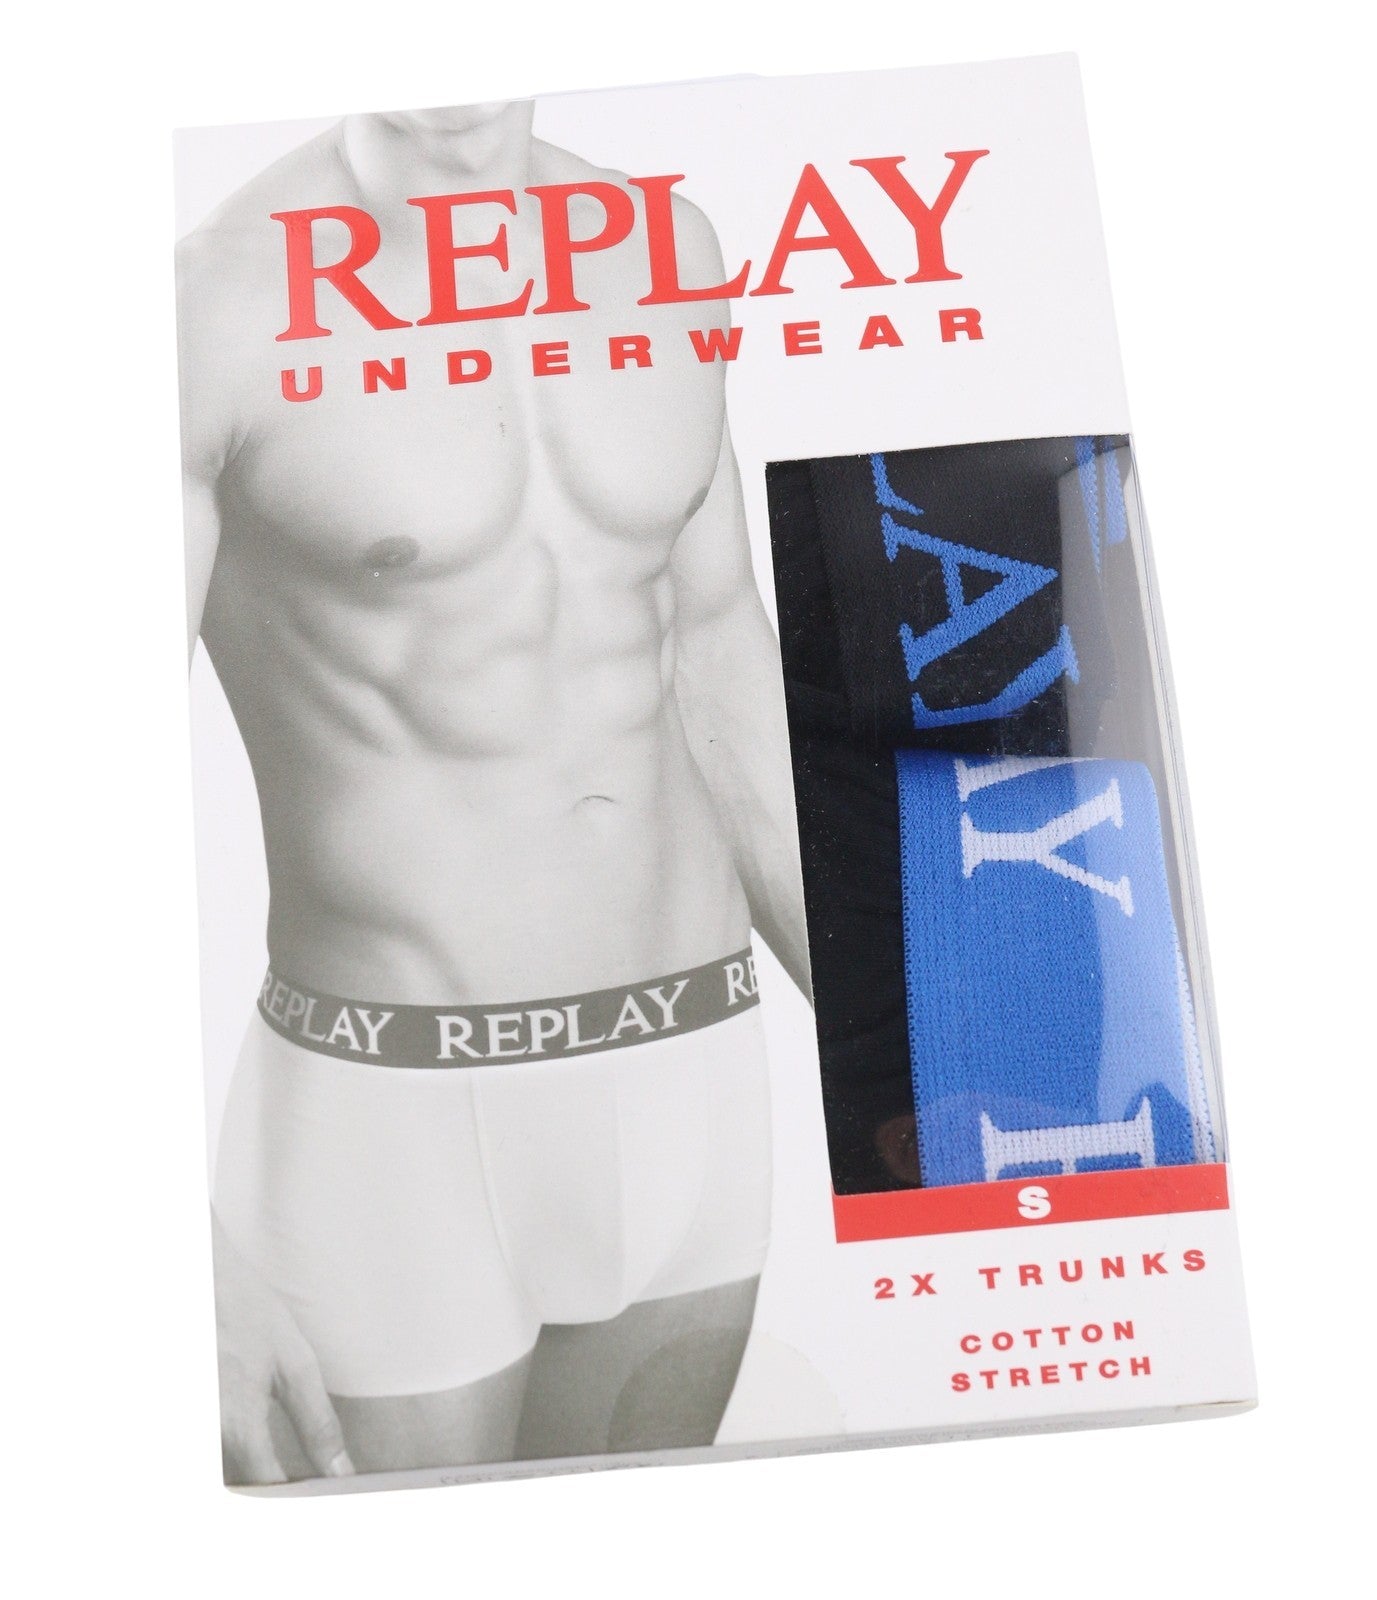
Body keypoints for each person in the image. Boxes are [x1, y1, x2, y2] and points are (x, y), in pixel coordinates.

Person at [177, 100, 809, 1484]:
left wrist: (906, 1038)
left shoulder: (666, 245)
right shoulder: (212, 305)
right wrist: (155, 1238)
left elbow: (715, 644)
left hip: (692, 1067)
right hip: (386, 1119)